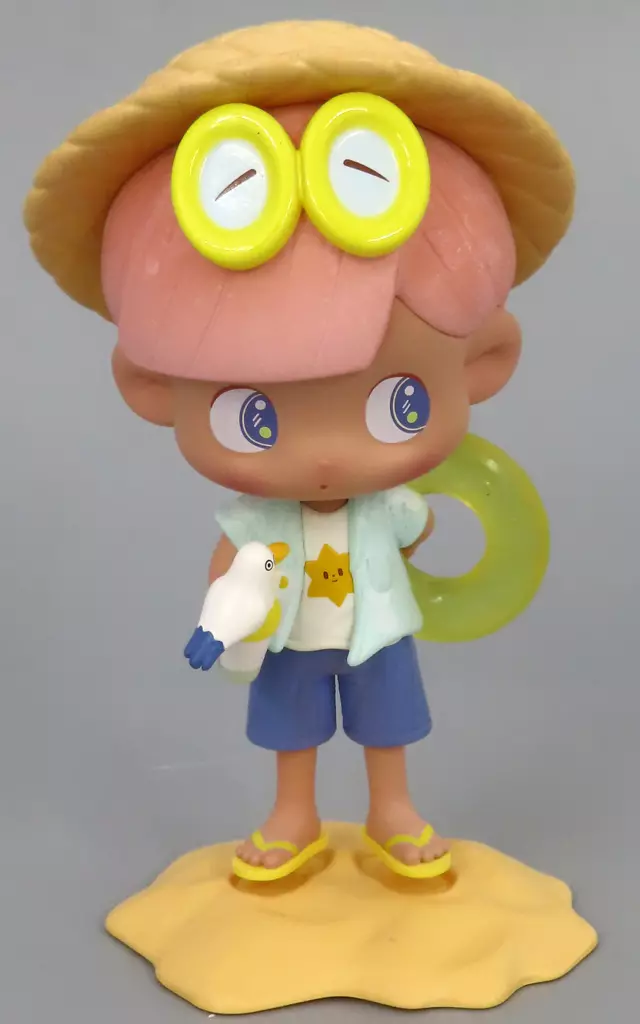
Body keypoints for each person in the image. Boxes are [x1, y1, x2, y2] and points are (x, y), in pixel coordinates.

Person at [24, 20, 574, 883]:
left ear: (484, 363)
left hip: (376, 630)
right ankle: (293, 814)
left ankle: (392, 809)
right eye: (258, 418)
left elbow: (417, 529)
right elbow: (231, 565)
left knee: (388, 720)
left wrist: (415, 534)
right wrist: (219, 618)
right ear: (153, 388)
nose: (326, 457)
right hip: (288, 636)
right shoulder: (260, 520)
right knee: (291, 729)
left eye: (398, 404)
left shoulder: (386, 503)